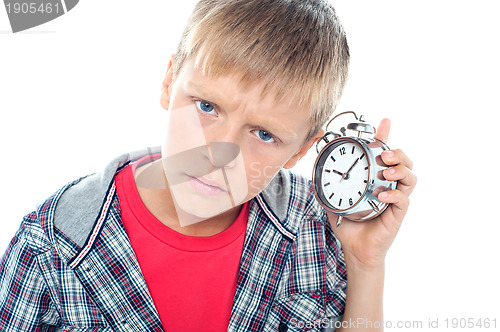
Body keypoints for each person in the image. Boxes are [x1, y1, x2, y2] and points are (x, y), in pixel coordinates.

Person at [0, 0, 416, 331]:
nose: (220, 154)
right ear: (168, 82)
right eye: (207, 106)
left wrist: (365, 266)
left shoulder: (316, 227)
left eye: (264, 134)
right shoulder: (50, 247)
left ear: (299, 152)